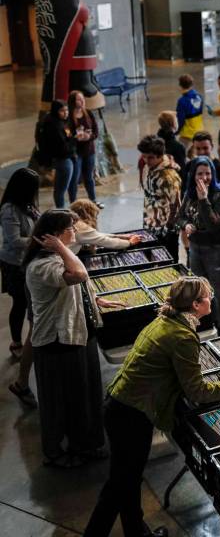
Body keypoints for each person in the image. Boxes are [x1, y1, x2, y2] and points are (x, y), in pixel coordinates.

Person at [67, 276, 220, 537]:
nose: (211, 298)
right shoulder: (183, 335)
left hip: (122, 406)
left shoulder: (164, 319)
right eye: (207, 296)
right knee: (114, 493)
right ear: (196, 305)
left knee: (128, 481)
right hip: (131, 415)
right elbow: (196, 390)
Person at [25, 209, 105, 468]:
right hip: (57, 342)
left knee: (85, 395)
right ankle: (56, 451)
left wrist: (96, 300)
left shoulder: (64, 258)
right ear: (55, 236)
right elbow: (79, 275)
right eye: (70, 228)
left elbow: (78, 286)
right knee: (61, 401)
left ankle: (85, 444)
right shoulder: (42, 265)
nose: (76, 231)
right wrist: (60, 246)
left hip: (80, 334)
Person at [177, 157, 220, 336]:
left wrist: (203, 200)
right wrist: (186, 224)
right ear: (193, 175)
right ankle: (207, 324)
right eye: (200, 173)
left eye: (208, 173)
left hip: (218, 249)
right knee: (200, 290)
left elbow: (214, 224)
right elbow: (180, 216)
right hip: (196, 247)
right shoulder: (189, 193)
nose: (204, 177)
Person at [1, 167, 39, 407]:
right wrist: (39, 240)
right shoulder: (8, 209)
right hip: (14, 264)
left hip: (28, 260)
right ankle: (16, 341)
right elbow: (14, 241)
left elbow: (38, 221)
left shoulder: (27, 205)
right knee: (20, 302)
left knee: (28, 303)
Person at [137, 135, 182, 261]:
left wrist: (167, 231)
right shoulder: (153, 169)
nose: (146, 160)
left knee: (168, 266)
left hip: (164, 231)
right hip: (152, 225)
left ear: (160, 155)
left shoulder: (168, 177)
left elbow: (176, 205)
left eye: (150, 157)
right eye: (144, 156)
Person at [38, 99, 77, 208]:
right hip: (63, 160)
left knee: (71, 185)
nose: (66, 113)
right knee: (60, 190)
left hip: (68, 158)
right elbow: (62, 147)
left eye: (67, 110)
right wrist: (74, 139)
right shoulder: (53, 126)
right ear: (56, 111)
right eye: (62, 111)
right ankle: (61, 212)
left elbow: (67, 137)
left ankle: (72, 209)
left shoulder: (61, 121)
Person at [70, 200, 145, 252]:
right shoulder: (82, 228)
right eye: (95, 216)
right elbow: (110, 243)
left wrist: (118, 236)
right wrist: (130, 243)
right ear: (88, 215)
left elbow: (95, 235)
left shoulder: (73, 221)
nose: (96, 219)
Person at [68, 90, 99, 205]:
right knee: (74, 179)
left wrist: (89, 136)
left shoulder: (88, 113)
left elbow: (96, 131)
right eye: (78, 99)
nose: (82, 101)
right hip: (76, 152)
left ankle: (93, 200)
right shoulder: (69, 117)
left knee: (89, 177)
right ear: (73, 102)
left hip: (89, 150)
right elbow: (67, 134)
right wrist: (76, 138)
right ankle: (73, 202)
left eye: (82, 99)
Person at [176, 74, 204, 151]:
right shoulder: (199, 96)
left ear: (180, 85)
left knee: (180, 152)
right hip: (199, 130)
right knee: (196, 153)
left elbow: (180, 118)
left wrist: (177, 131)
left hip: (187, 133)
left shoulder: (182, 100)